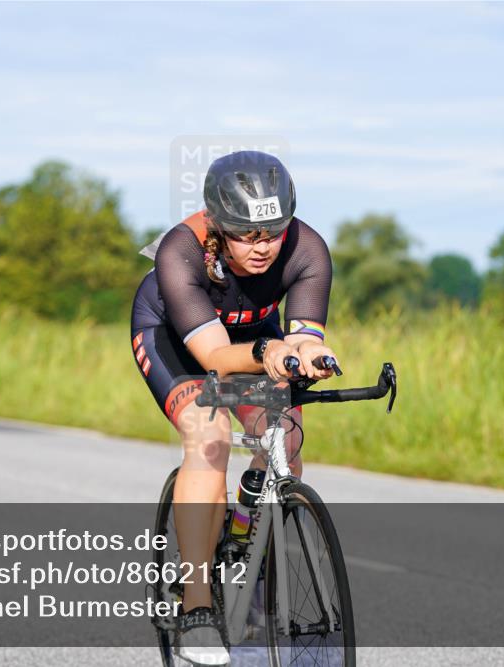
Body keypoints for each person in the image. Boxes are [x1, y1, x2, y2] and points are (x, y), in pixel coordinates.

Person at [130, 150, 337, 665]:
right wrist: (271, 352)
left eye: (272, 232)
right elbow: (218, 359)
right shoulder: (180, 251)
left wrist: (313, 353)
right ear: (217, 226)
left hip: (253, 334)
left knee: (286, 436)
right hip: (179, 339)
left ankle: (251, 529)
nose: (262, 247)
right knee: (210, 436)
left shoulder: (307, 248)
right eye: (245, 234)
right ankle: (198, 604)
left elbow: (305, 335)